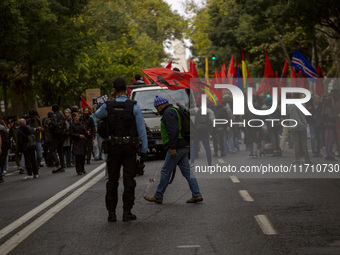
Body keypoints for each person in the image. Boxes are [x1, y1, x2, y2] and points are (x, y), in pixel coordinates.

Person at [95, 77, 148, 222]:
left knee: (112, 180)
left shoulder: (108, 105)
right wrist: (144, 149)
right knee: (129, 180)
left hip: (113, 148)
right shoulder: (133, 106)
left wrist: (110, 102)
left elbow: (97, 115)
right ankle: (127, 212)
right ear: (126, 90)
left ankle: (111, 214)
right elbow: (141, 129)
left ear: (114, 90)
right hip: (129, 148)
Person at [143, 96, 203, 204]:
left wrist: (172, 147)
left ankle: (158, 195)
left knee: (165, 171)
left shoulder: (168, 113)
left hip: (177, 147)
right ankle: (197, 194)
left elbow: (173, 130)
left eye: (157, 108)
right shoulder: (175, 110)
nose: (157, 110)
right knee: (187, 172)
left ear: (161, 105)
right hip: (183, 146)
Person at [287, 93, 311, 164]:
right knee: (304, 143)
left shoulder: (289, 105)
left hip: (293, 126)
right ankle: (307, 158)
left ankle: (298, 159)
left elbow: (287, 115)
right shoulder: (303, 104)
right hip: (302, 125)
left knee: (296, 143)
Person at [50, 104, 67, 173]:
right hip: (62, 135)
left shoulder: (54, 116)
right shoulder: (61, 116)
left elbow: (53, 125)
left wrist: (50, 127)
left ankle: (57, 164)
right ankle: (63, 165)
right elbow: (65, 125)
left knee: (52, 150)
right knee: (60, 150)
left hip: (55, 135)